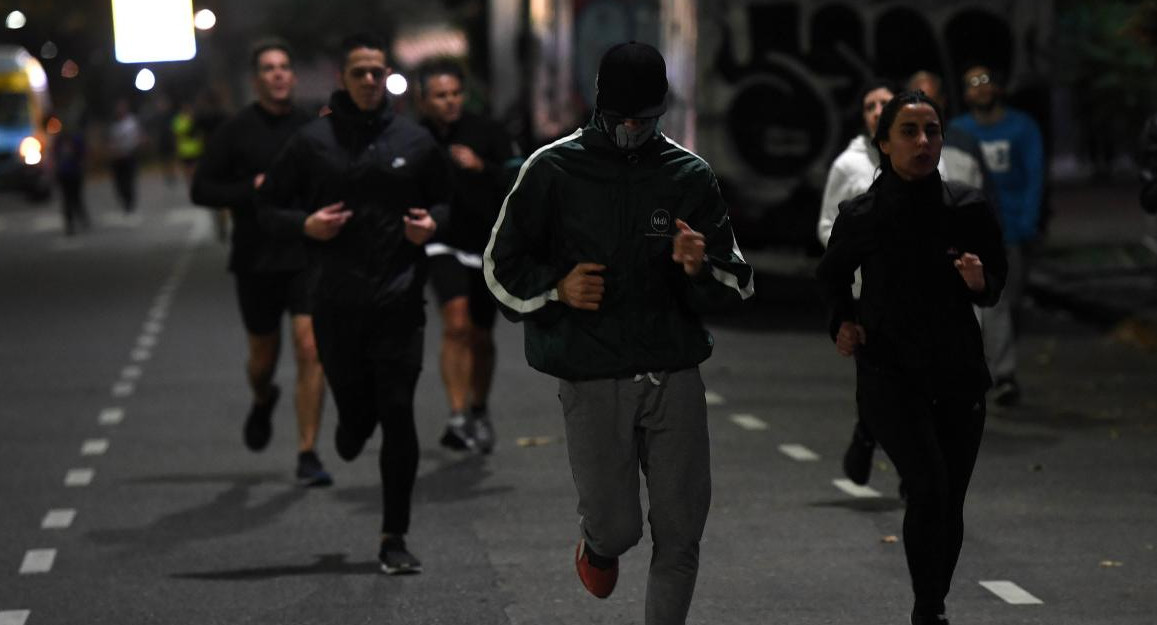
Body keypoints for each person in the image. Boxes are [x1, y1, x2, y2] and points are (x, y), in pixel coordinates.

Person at [485, 41, 754, 625]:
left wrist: (697, 266)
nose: (632, 128)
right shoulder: (552, 168)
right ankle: (599, 545)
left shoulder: (687, 174)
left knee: (681, 532)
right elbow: (498, 268)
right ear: (599, 106)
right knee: (620, 526)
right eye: (622, 117)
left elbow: (737, 282)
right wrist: (557, 288)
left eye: (645, 118)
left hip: (673, 371)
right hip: (593, 372)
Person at [256, 32, 451, 575]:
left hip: (399, 301)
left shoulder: (413, 141)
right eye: (359, 72)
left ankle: (394, 535)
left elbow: (447, 199)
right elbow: (268, 206)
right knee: (357, 422)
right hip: (336, 303)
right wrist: (307, 225)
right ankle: (348, 424)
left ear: (387, 76)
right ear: (342, 78)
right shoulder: (311, 142)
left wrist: (432, 224)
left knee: (399, 412)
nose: (369, 80)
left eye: (377, 72)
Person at [816, 90, 1007, 625]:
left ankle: (933, 602)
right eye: (909, 131)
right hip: (890, 373)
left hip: (958, 373)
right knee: (926, 486)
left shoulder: (967, 208)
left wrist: (980, 281)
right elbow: (830, 275)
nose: (924, 142)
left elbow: (995, 281)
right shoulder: (862, 215)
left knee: (948, 500)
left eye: (933, 131)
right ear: (883, 142)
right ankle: (929, 611)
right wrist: (844, 321)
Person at [190, 39, 332, 487]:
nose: (278, 74)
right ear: (256, 79)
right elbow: (202, 190)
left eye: (284, 67)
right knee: (262, 359)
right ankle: (262, 397)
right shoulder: (235, 131)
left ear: (292, 75)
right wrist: (248, 188)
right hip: (256, 257)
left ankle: (308, 451)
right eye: (268, 68)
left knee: (311, 349)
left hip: (306, 253)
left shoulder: (313, 127)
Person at [414, 58, 514, 454]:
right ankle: (457, 416)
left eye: (455, 93)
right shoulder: (414, 138)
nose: (450, 101)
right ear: (424, 100)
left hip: (485, 245)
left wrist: (481, 165)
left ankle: (478, 408)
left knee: (481, 335)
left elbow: (517, 176)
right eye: (440, 95)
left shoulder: (487, 132)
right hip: (441, 243)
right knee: (456, 322)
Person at [951, 65, 1044, 407]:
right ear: (964, 94)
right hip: (974, 233)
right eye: (972, 83)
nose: (980, 88)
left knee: (1009, 301)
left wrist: (1028, 224)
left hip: (1012, 230)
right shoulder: (958, 131)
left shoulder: (1022, 127)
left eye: (986, 81)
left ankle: (1001, 362)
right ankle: (993, 371)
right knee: (978, 303)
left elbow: (1035, 177)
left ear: (998, 87)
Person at [817, 80, 894, 487]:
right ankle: (867, 431)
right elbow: (827, 224)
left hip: (913, 294)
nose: (878, 110)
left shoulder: (921, 156)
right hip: (867, 291)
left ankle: (912, 471)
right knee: (877, 377)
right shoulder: (848, 166)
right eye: (870, 105)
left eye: (885, 103)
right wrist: (854, 251)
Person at [55, 118, 90, 236]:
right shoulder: (59, 140)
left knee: (76, 198)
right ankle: (70, 224)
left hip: (75, 173)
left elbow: (83, 154)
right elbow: (55, 156)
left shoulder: (76, 139)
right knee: (67, 200)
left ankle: (82, 218)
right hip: (64, 174)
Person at [107, 99, 142, 214]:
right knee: (119, 183)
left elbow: (136, 138)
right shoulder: (113, 124)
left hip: (128, 156)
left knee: (128, 181)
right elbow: (110, 141)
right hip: (116, 158)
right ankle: (124, 200)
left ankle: (129, 202)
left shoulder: (131, 122)